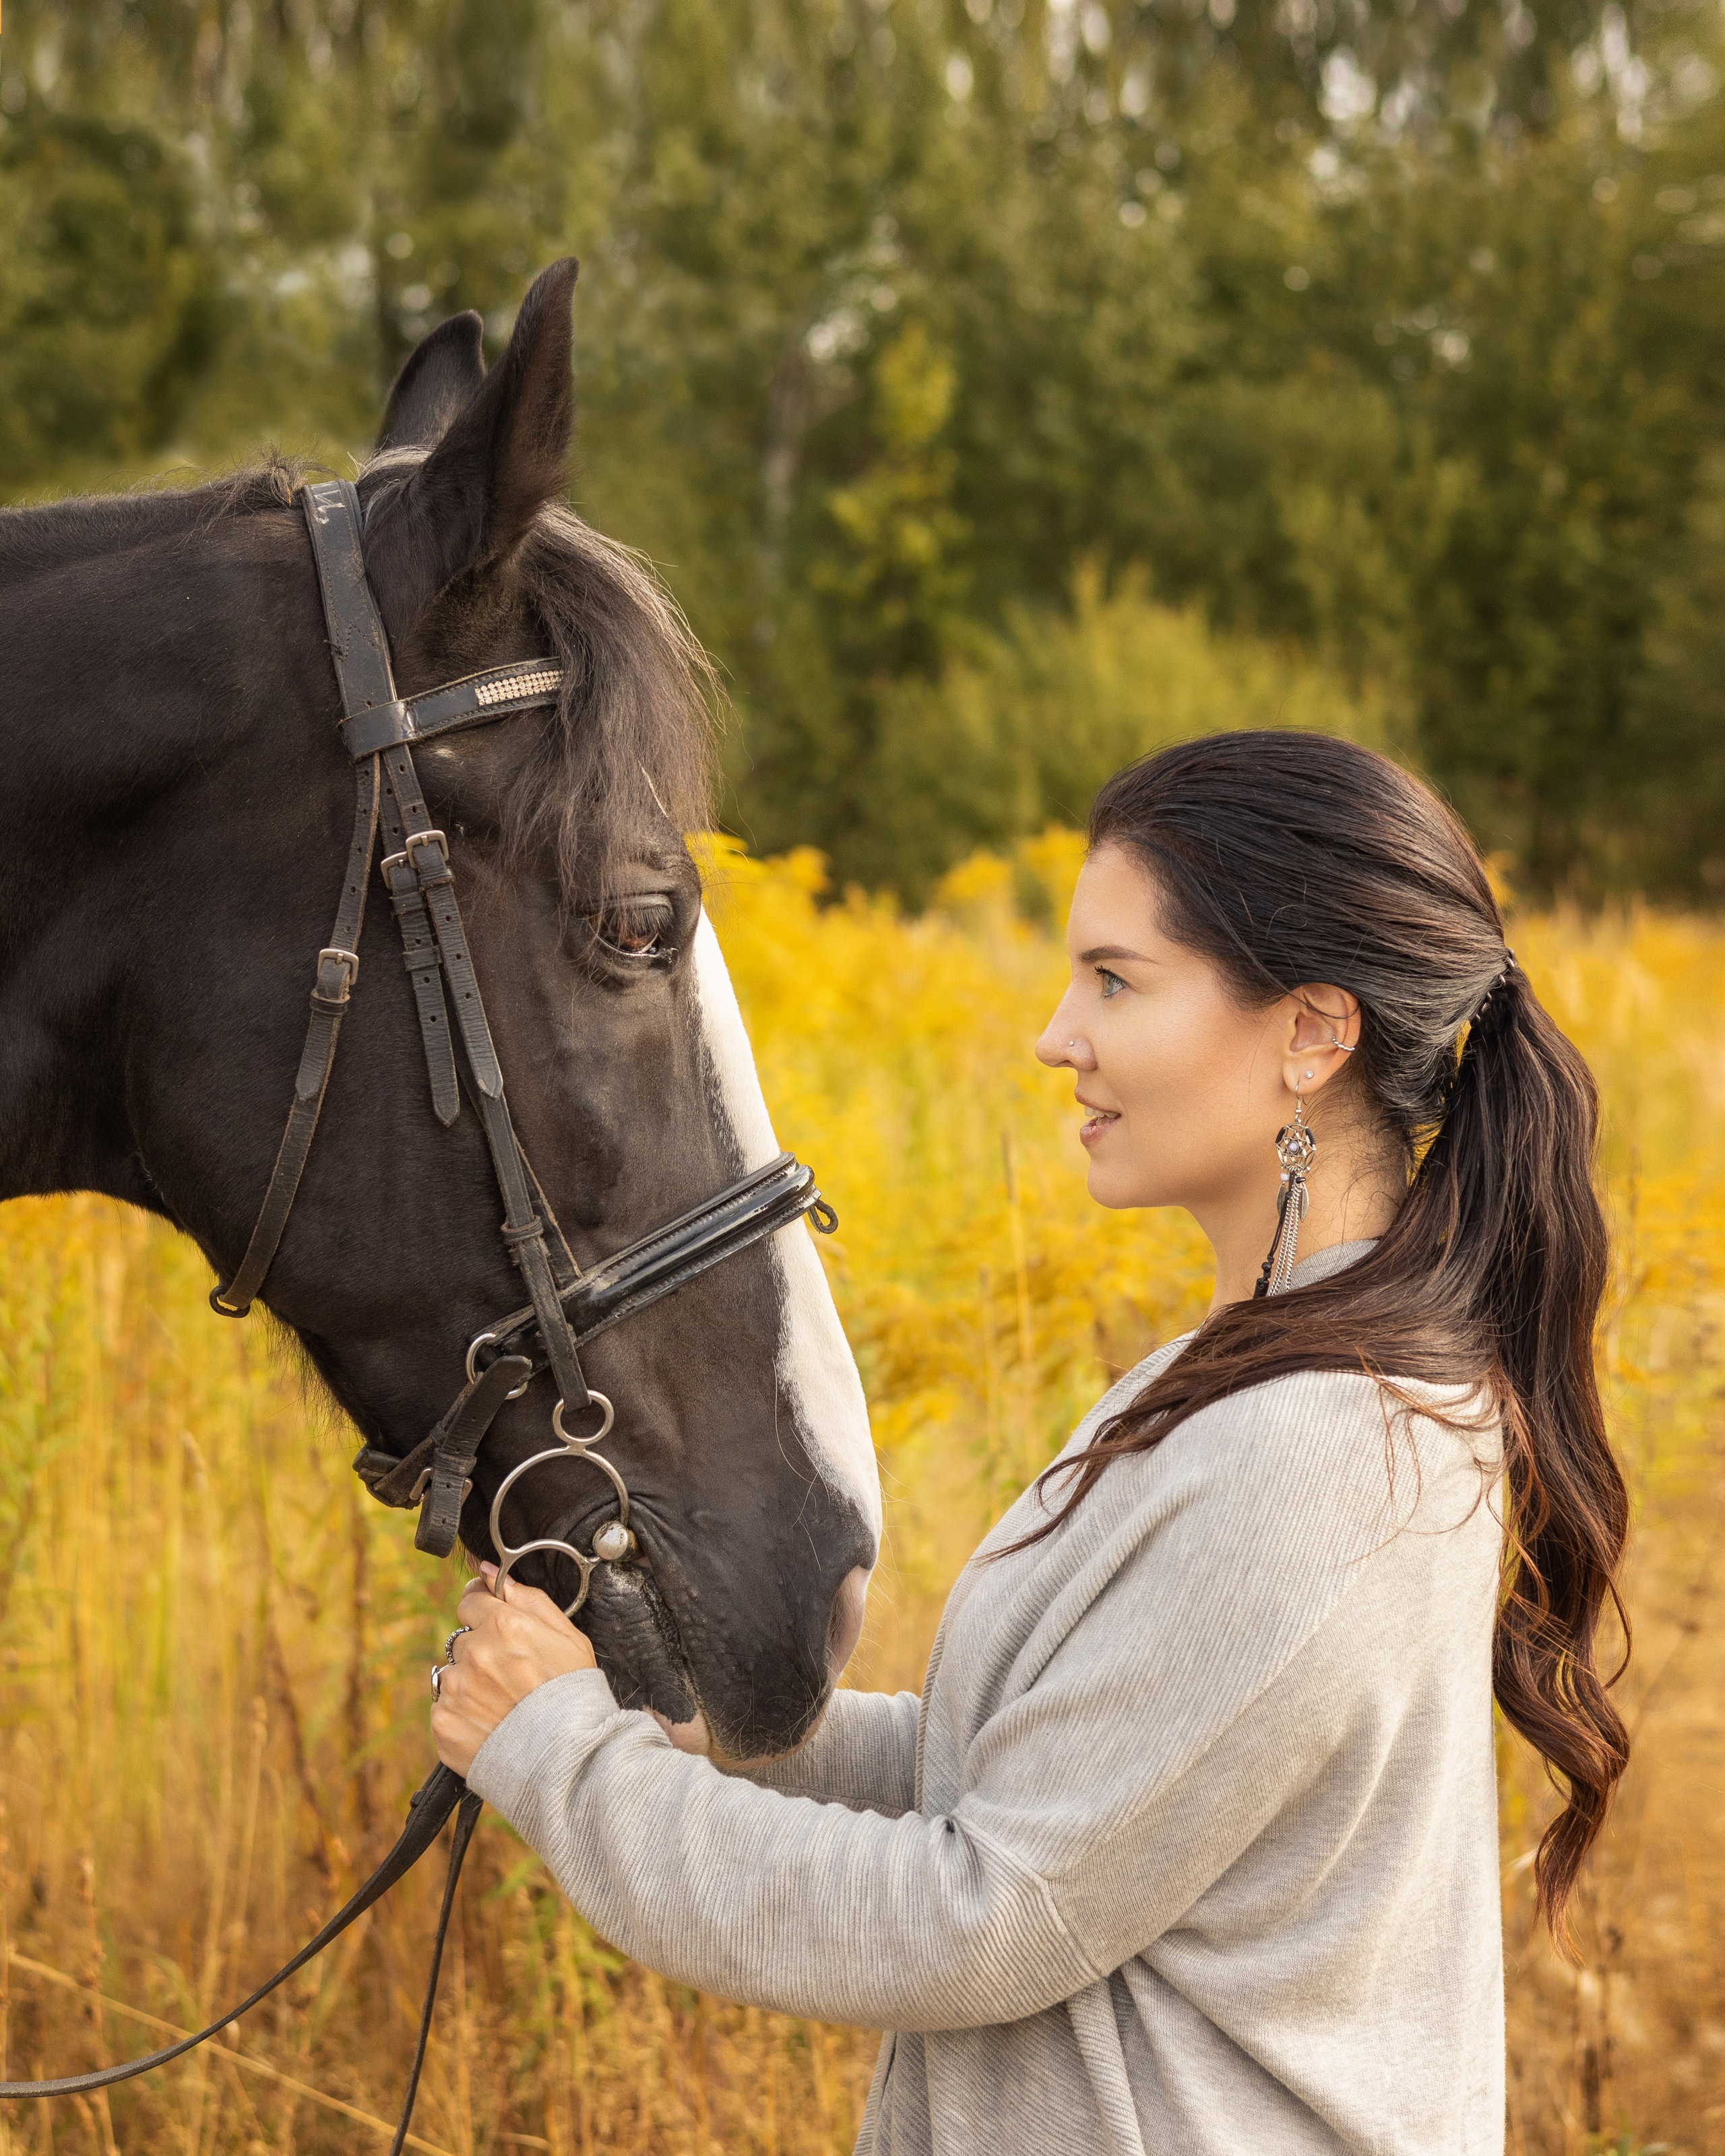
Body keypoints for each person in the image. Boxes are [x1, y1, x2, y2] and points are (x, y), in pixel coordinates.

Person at [429, 732, 1629, 2155]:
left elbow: (985, 1920)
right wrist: (708, 1731)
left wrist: (561, 1755)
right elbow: (1051, 1783)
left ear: (1312, 1033)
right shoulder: (1261, 1372)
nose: (1059, 1036)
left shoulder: (1323, 1447)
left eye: (1116, 979)